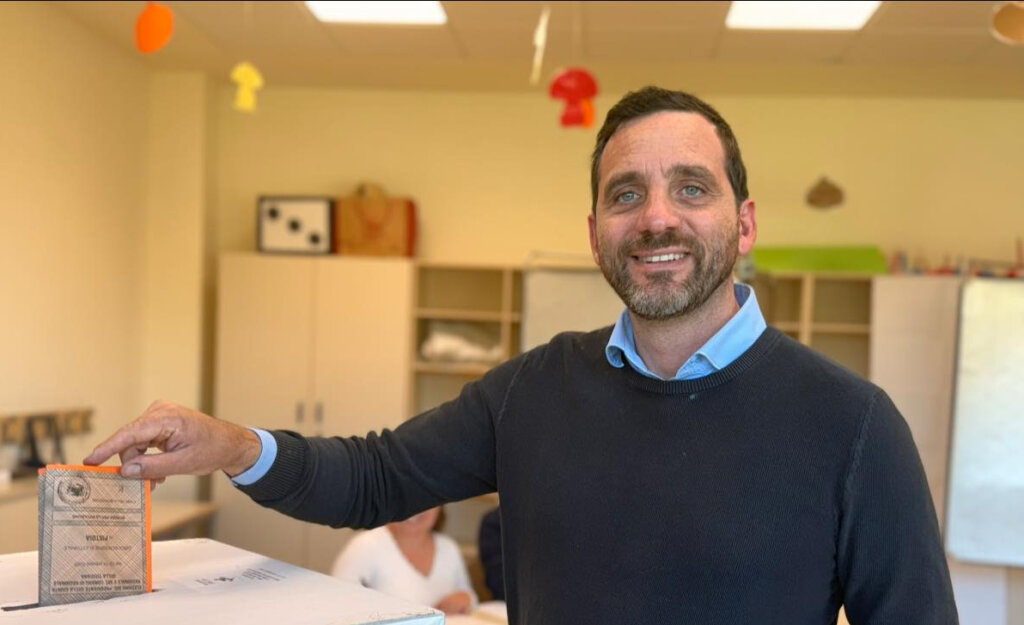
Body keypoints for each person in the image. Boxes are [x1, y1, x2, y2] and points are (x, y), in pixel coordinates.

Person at [85, 86, 958, 624]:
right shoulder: (532, 391)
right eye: (627, 194)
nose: (657, 216)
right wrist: (233, 444)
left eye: (691, 187)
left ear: (746, 222)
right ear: (596, 231)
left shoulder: (853, 425)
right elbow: (374, 477)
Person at [330, 506, 476, 615]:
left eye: (426, 499)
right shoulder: (365, 545)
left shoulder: (449, 547)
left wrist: (466, 599)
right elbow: (338, 607)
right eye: (407, 497)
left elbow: (470, 597)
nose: (415, 508)